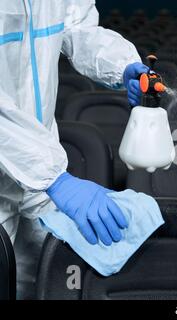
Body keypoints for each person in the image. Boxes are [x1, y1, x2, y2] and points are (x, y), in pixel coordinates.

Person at [0, 1, 148, 298]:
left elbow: (77, 30)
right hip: (37, 172)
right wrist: (54, 178)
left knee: (47, 285)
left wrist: (122, 65)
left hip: (38, 181)